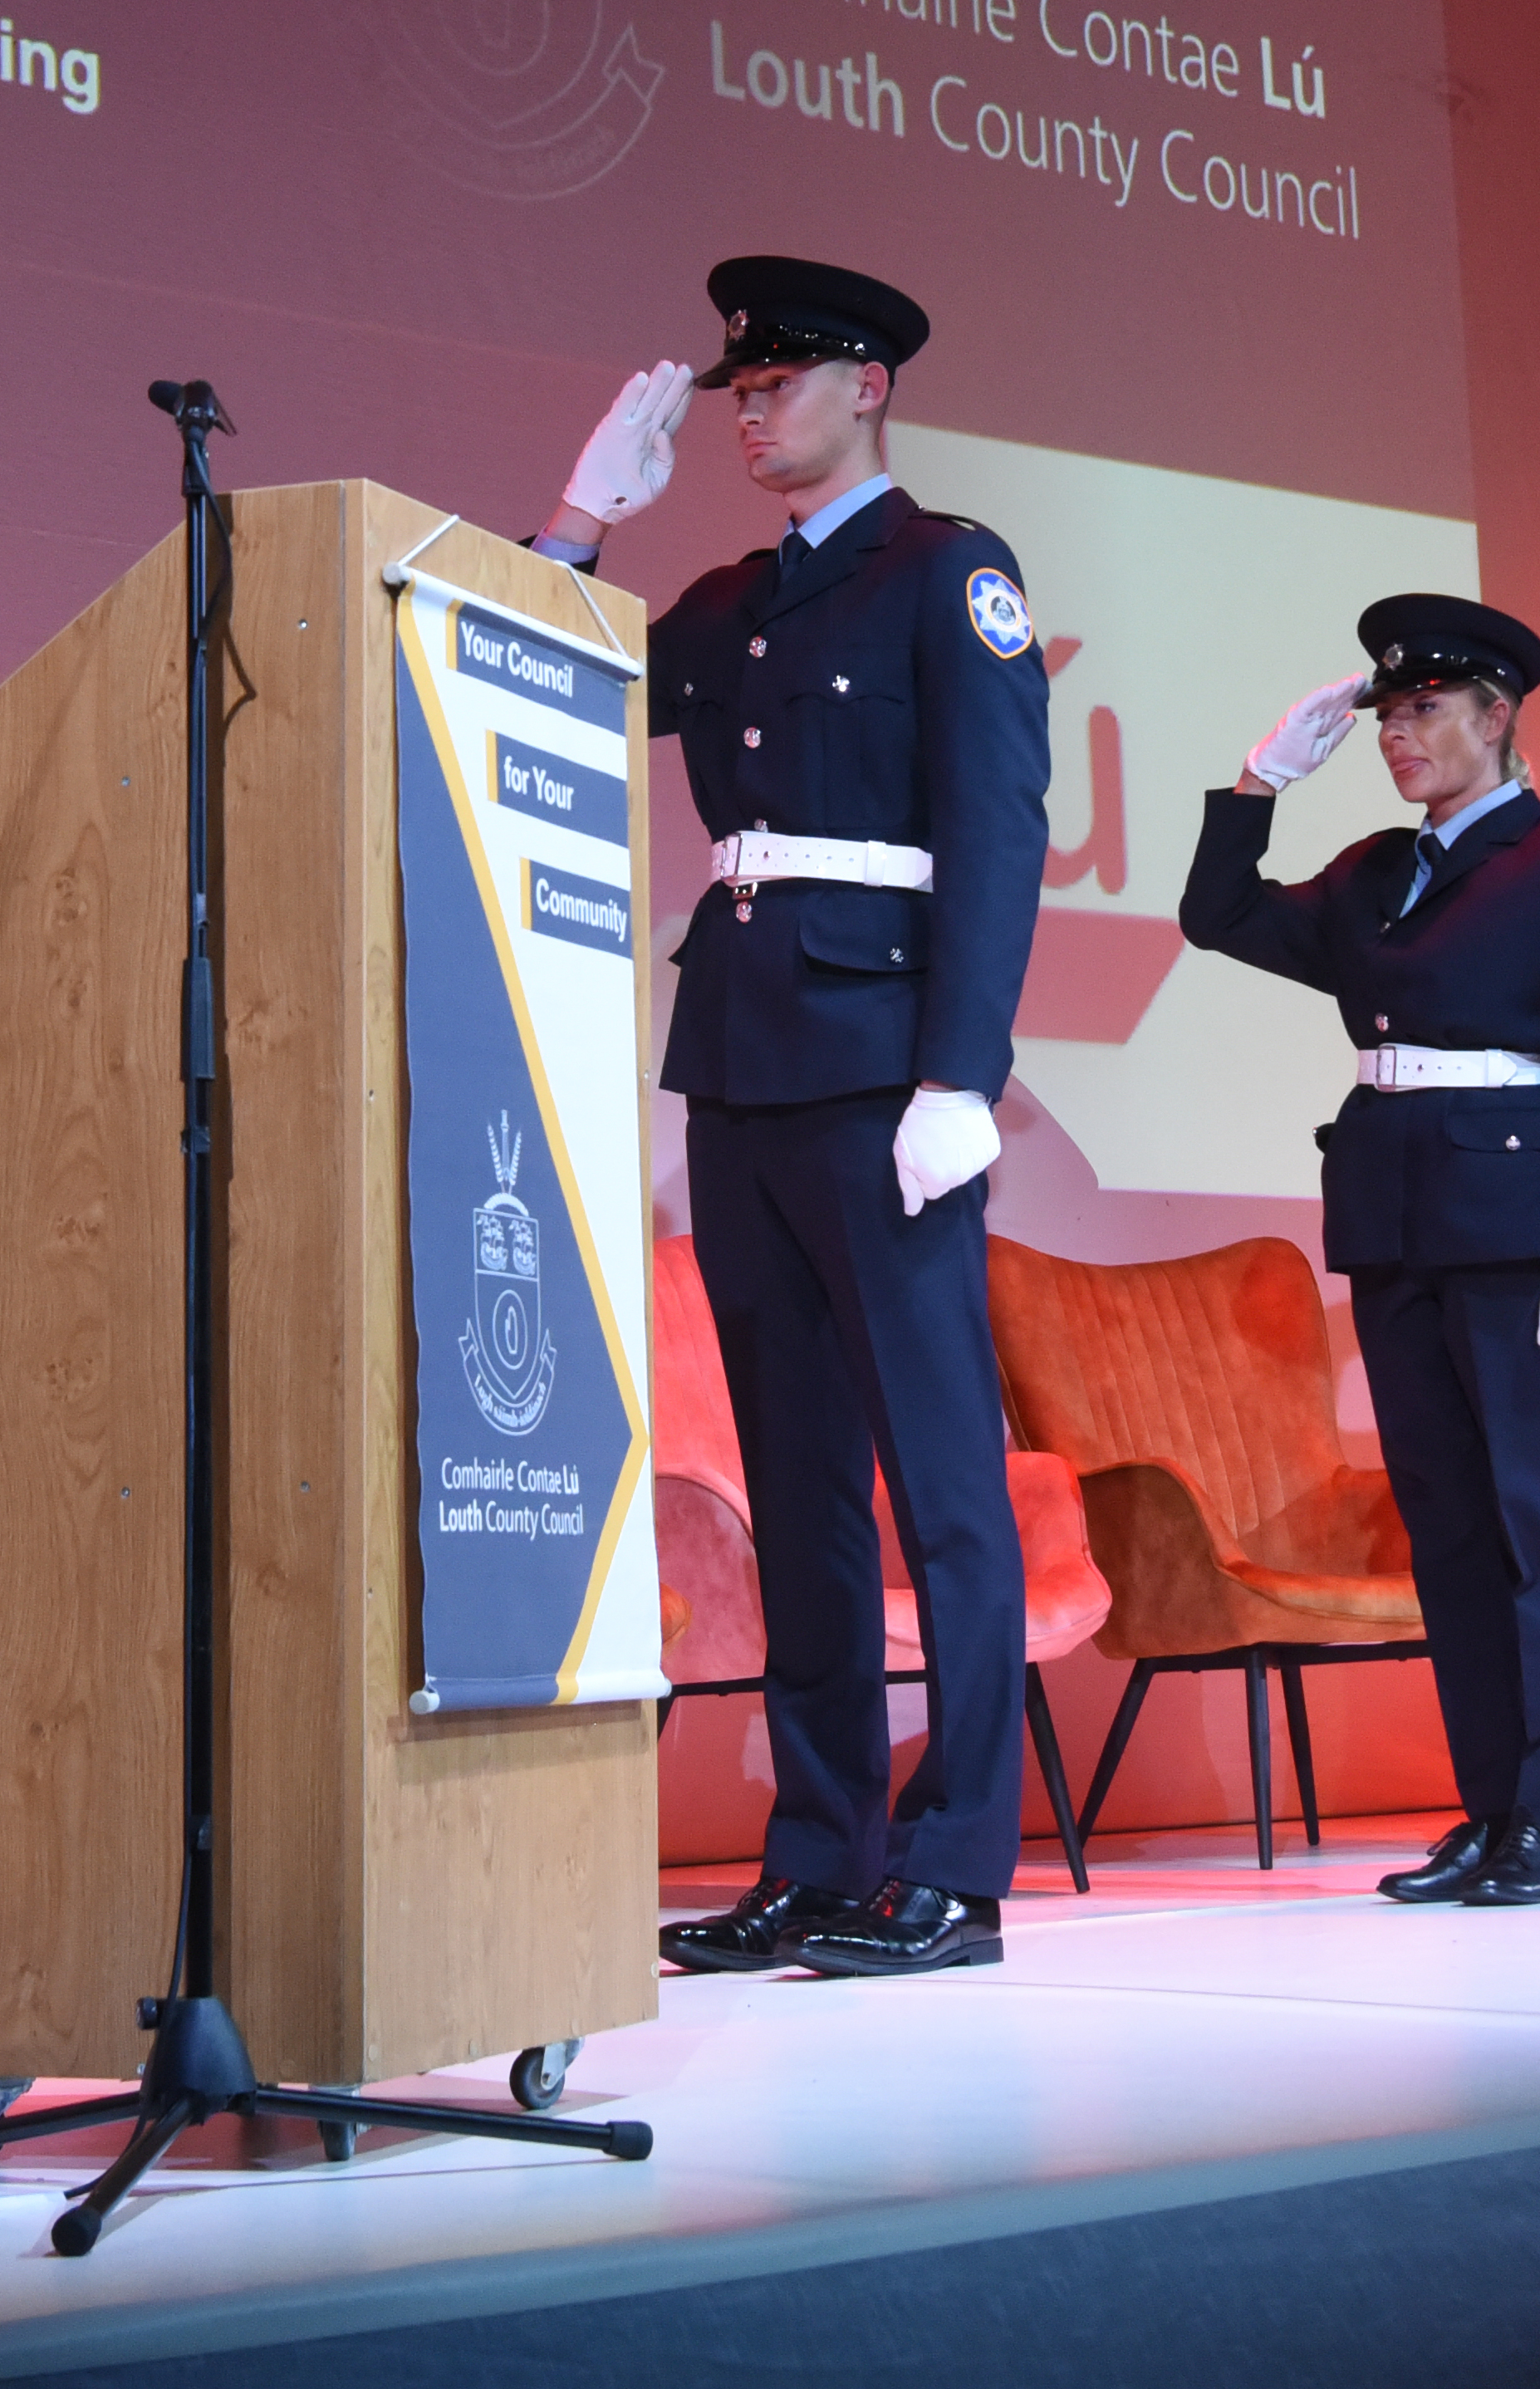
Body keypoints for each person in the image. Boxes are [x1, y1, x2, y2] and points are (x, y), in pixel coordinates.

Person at [532, 258, 1049, 1975]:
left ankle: (957, 1861)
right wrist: (580, 525)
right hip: (746, 1061)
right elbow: (548, 681)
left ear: (868, 389)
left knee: (943, 1480)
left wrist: (961, 1076)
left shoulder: (947, 574)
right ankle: (825, 1851)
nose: (747, 410)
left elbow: (996, 833)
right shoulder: (731, 599)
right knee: (800, 1479)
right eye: (737, 390)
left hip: (887, 1067)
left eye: (778, 383)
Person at [1177, 597, 1540, 1907]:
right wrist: (1259, 785)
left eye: (1427, 709)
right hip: (1396, 1219)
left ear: (1498, 718)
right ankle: (1491, 1806)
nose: (1399, 734)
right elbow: (1217, 915)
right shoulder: (1373, 871)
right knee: (1446, 1526)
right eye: (1388, 713)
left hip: (1520, 1230)